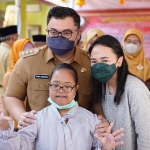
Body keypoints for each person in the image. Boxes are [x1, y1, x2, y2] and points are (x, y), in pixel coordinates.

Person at [4, 6, 106, 130]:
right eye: (53, 32)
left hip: (79, 137)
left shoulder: (91, 63)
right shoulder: (28, 62)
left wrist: (101, 119)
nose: (59, 37)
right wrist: (21, 116)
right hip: (38, 137)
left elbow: (97, 100)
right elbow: (12, 96)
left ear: (78, 34)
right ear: (47, 31)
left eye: (66, 33)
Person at [0, 63, 124, 150]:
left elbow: (100, 146)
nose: (60, 90)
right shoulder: (36, 119)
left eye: (68, 86)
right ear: (49, 86)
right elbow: (20, 147)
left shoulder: (92, 120)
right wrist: (4, 128)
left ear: (76, 88)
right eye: (55, 85)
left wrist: (105, 148)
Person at [88, 35, 150, 150]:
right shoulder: (102, 84)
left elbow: (147, 136)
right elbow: (96, 103)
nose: (99, 65)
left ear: (119, 61)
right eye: (94, 61)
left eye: (105, 60)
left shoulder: (135, 89)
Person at [0, 25, 18, 97]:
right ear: (12, 37)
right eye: (17, 37)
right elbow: (11, 77)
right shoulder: (9, 53)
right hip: (5, 93)